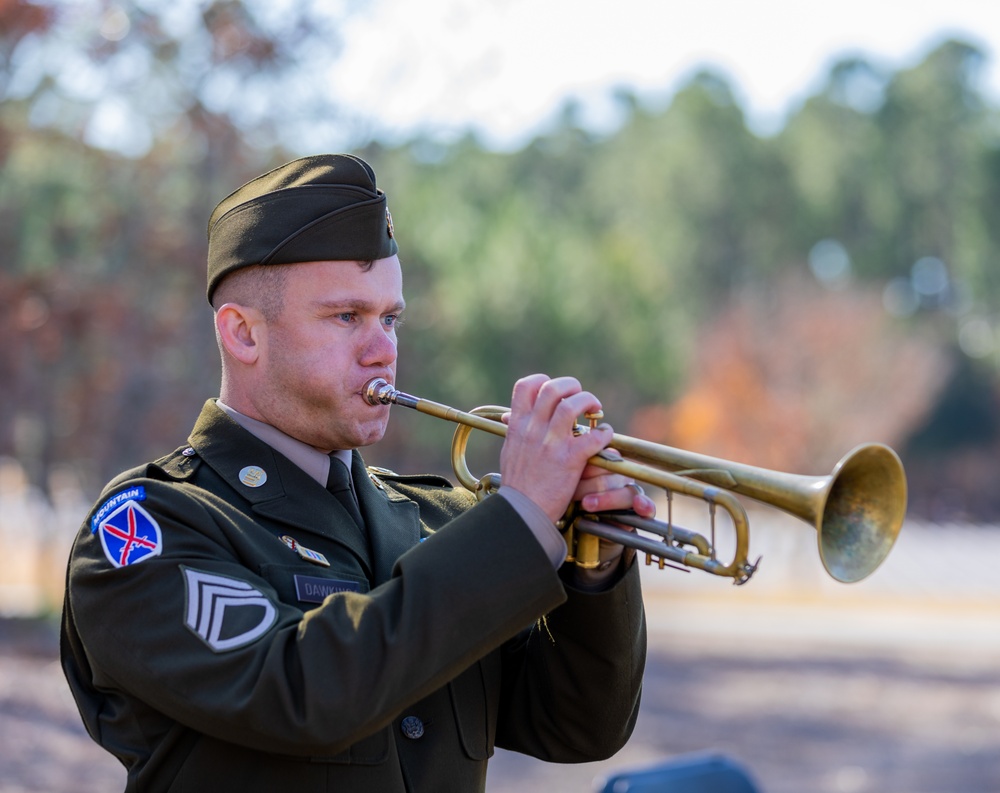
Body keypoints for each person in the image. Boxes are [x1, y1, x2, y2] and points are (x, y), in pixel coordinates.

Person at [61, 154, 652, 793]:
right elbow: (303, 692)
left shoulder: (435, 518)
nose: (384, 350)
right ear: (244, 334)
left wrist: (596, 560)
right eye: (347, 317)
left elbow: (576, 726)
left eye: (389, 318)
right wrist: (522, 519)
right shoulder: (148, 525)